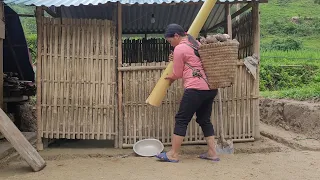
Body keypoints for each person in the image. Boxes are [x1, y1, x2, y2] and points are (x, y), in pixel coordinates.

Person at [155, 24, 220, 163]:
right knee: (204, 119)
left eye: (170, 41)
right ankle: (212, 153)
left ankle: (173, 154)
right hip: (210, 88)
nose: (171, 44)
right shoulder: (194, 43)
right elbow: (193, 61)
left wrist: (170, 77)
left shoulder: (180, 48)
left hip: (195, 88)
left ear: (177, 36)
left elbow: (177, 73)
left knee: (181, 119)